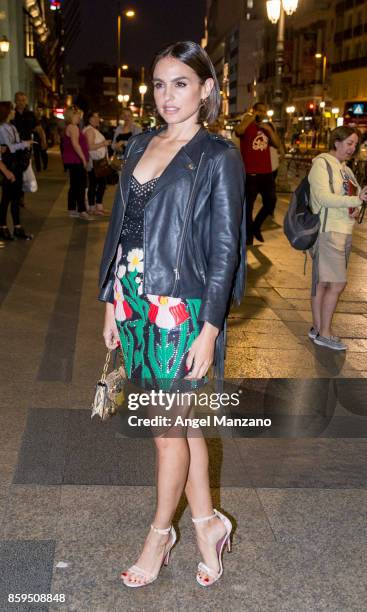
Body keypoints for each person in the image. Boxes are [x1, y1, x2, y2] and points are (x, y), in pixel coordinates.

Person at [99, 41, 246, 588]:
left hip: (179, 308)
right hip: (134, 300)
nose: (167, 95)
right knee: (181, 428)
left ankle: (161, 534)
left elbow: (225, 249)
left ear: (206, 89)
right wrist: (112, 299)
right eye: (159, 84)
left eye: (180, 83)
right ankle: (208, 524)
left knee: (166, 430)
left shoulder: (217, 155)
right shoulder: (140, 144)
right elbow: (123, 229)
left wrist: (209, 328)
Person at [308, 126, 367, 350]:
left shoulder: (347, 170)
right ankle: (325, 333)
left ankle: (317, 328)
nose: (353, 148)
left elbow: (356, 197)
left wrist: (358, 199)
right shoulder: (321, 164)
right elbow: (323, 198)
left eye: (355, 144)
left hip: (344, 231)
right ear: (337, 142)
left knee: (323, 284)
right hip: (329, 230)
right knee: (338, 283)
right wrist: (355, 200)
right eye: (350, 143)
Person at [235, 102, 280, 244]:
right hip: (250, 173)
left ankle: (256, 227)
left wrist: (269, 130)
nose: (262, 113)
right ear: (253, 111)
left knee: (271, 202)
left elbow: (277, 145)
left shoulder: (268, 127)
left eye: (264, 111)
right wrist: (249, 119)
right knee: (248, 206)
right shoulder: (246, 123)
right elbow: (239, 131)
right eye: (259, 111)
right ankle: (248, 236)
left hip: (266, 172)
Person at [0, 101, 33, 240]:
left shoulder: (12, 127)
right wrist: (25, 143)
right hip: (7, 166)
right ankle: (3, 227)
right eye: (12, 109)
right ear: (6, 112)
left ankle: (17, 227)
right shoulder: (1, 128)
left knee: (15, 198)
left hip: (16, 165)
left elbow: (13, 145)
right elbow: (10, 147)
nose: (14, 112)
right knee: (6, 198)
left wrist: (23, 145)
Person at [62, 107, 92, 221]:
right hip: (76, 160)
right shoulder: (73, 127)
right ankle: (82, 211)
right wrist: (83, 159)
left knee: (74, 185)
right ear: (71, 116)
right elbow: (75, 144)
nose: (79, 117)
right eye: (77, 115)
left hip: (73, 160)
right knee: (80, 185)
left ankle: (72, 209)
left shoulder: (70, 127)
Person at [83, 111, 111, 215]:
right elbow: (89, 147)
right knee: (97, 184)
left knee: (98, 184)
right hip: (95, 162)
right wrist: (104, 143)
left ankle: (96, 206)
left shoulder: (92, 130)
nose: (97, 119)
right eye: (94, 117)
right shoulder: (90, 131)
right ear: (89, 119)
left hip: (97, 162)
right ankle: (93, 207)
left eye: (98, 116)